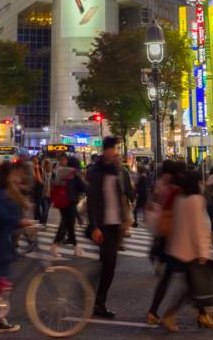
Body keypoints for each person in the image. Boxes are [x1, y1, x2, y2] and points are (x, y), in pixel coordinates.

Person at [156, 170, 213, 332]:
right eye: (200, 181)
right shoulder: (196, 200)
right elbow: (198, 229)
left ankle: (202, 316)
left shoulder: (181, 199)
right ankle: (170, 315)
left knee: (193, 286)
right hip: (191, 252)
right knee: (192, 288)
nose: (202, 184)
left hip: (179, 249)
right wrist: (203, 253)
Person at [0, 162, 27, 332]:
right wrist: (19, 222)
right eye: (16, 174)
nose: (19, 177)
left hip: (2, 240)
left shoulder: (8, 191)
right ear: (8, 176)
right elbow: (2, 215)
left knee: (0, 282)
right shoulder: (0, 193)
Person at [86, 137, 125, 319]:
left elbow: (123, 194)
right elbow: (92, 200)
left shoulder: (116, 170)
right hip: (102, 225)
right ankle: (98, 303)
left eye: (116, 148)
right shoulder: (96, 171)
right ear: (106, 150)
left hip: (115, 224)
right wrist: (94, 226)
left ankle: (94, 296)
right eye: (113, 148)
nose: (115, 152)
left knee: (108, 264)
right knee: (109, 263)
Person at [50, 153, 86, 257]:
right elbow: (83, 187)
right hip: (70, 202)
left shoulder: (60, 171)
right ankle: (55, 246)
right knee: (65, 225)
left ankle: (75, 248)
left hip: (62, 202)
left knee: (69, 226)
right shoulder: (73, 174)